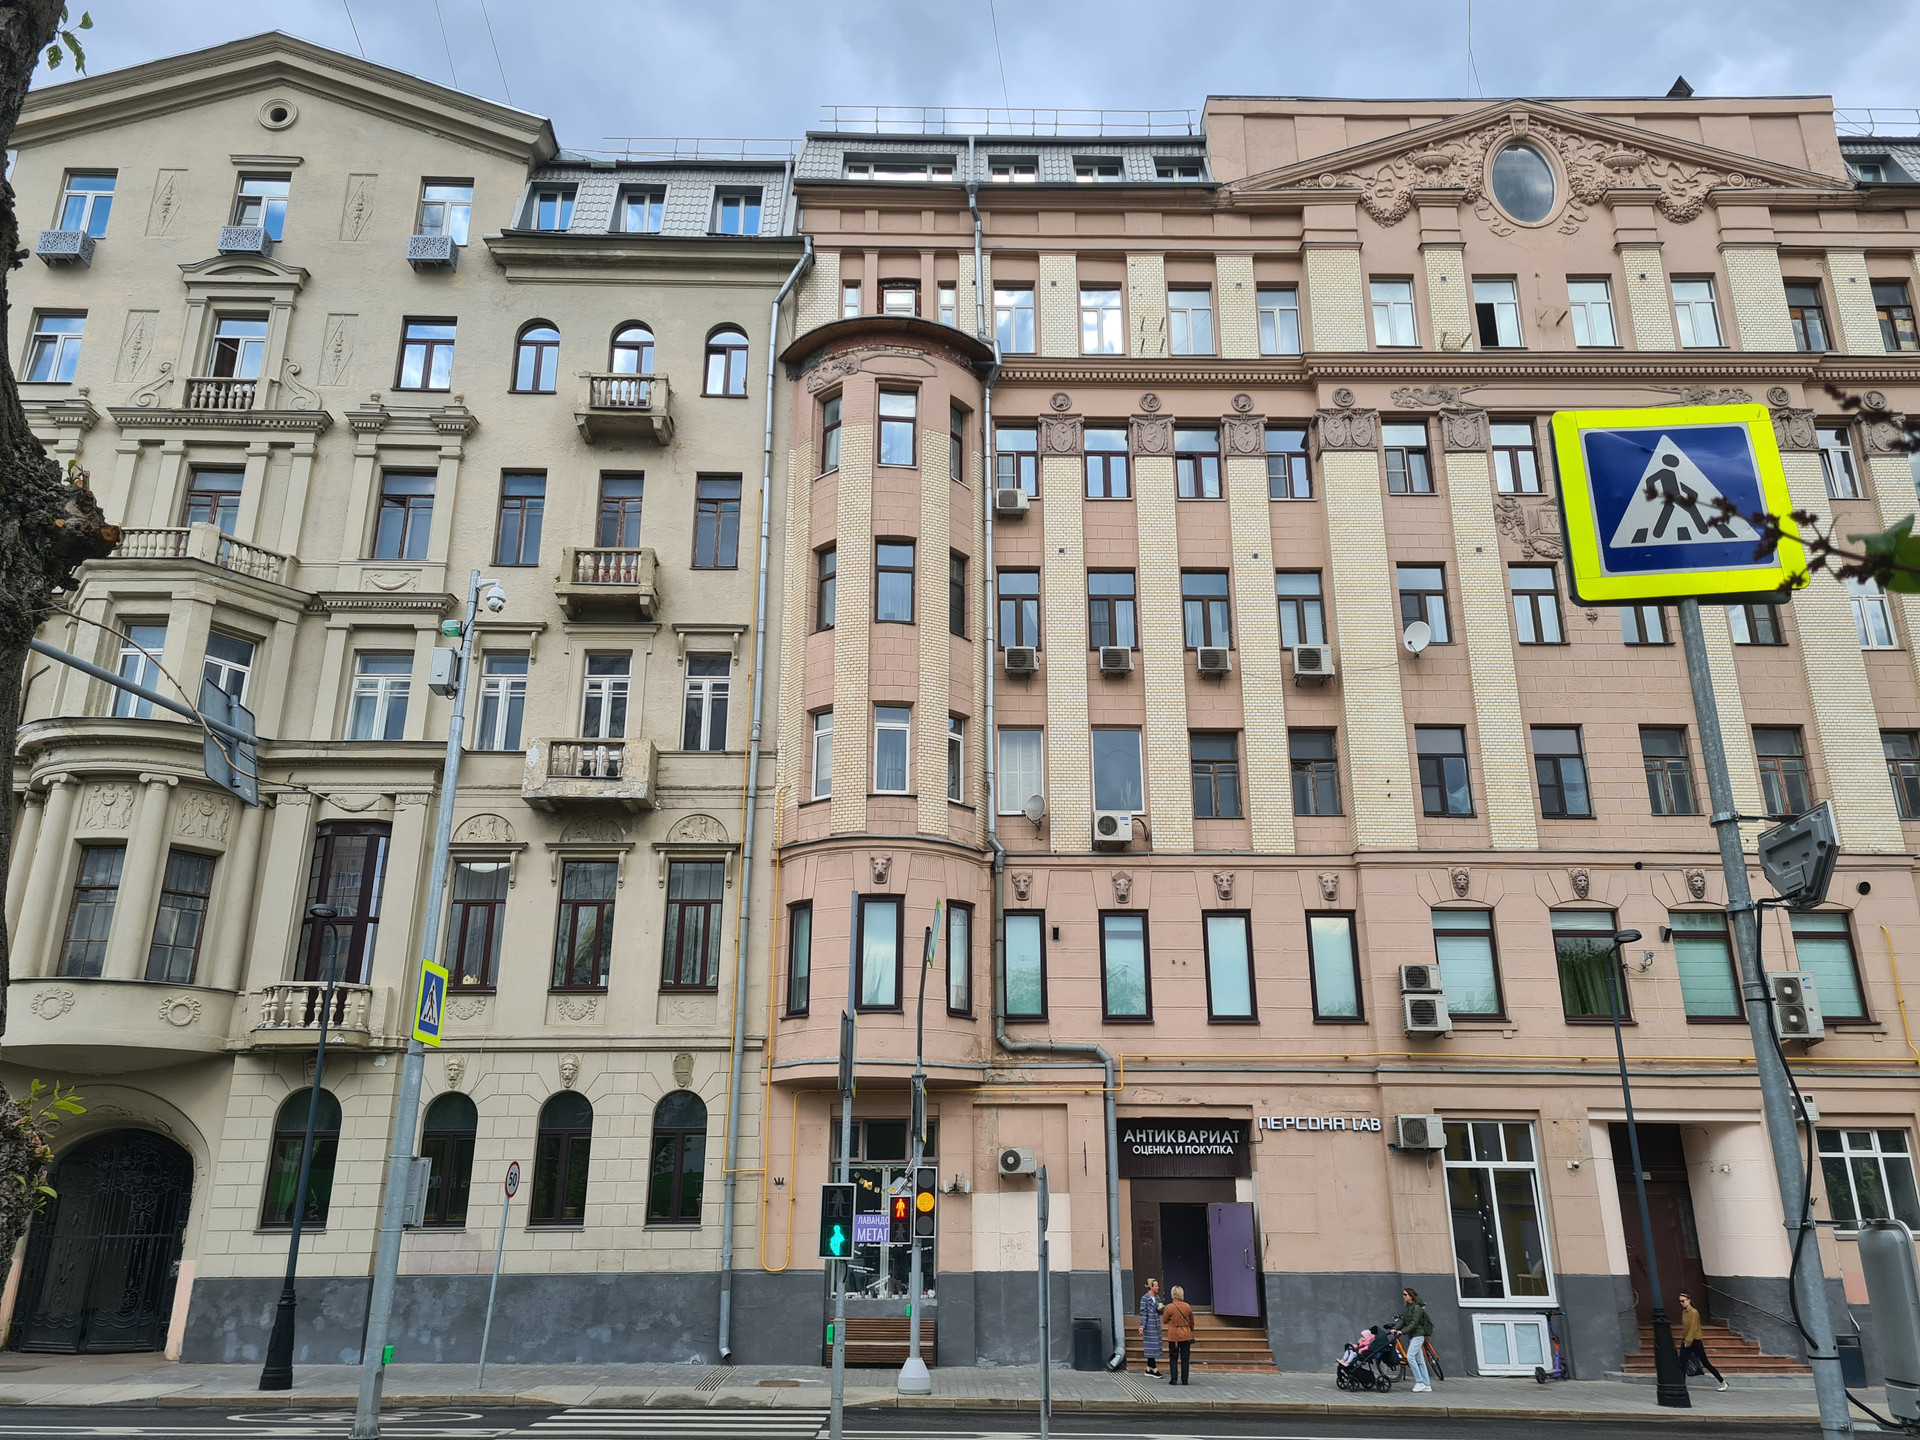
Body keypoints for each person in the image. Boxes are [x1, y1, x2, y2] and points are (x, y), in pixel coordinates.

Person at [1678, 1293, 1728, 1391]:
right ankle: (1681, 1385)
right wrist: (1685, 1340)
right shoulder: (1684, 1312)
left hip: (1695, 1341)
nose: (1682, 1303)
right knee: (1682, 1362)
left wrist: (1688, 1342)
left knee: (1705, 1363)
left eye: (1683, 1301)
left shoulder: (1694, 1312)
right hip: (1686, 1340)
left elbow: (1693, 1328)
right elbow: (1686, 1329)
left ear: (1689, 1300)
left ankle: (1723, 1382)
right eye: (1680, 1301)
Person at [1393, 1286, 1435, 1393]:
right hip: (1413, 1336)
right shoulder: (1408, 1307)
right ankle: (1427, 1385)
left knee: (1410, 1357)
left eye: (1405, 1295)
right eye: (1403, 1294)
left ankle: (1419, 1382)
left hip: (1418, 1335)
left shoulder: (1416, 1308)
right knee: (1420, 1361)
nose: (1403, 1296)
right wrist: (1395, 1328)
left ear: (1411, 1296)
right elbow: (1403, 1320)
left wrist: (1403, 1331)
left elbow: (1414, 1323)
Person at [1162, 1284, 1195, 1385]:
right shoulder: (1187, 1306)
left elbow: (1164, 1320)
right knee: (1185, 1358)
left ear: (1173, 1294)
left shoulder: (1169, 1307)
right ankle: (1185, 1379)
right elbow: (1191, 1321)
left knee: (1173, 1357)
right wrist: (1191, 1330)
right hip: (1186, 1334)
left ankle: (1174, 1379)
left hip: (1174, 1335)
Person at [1138, 1278, 1163, 1376]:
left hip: (1156, 1324)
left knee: (1155, 1346)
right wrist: (1142, 1326)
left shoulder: (1157, 1297)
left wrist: (1160, 1308)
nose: (1158, 1287)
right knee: (1151, 1346)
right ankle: (1155, 1369)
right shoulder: (1145, 1298)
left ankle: (1148, 1369)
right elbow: (1143, 1313)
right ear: (1151, 1287)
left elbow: (1161, 1308)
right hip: (1149, 1325)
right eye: (1156, 1286)